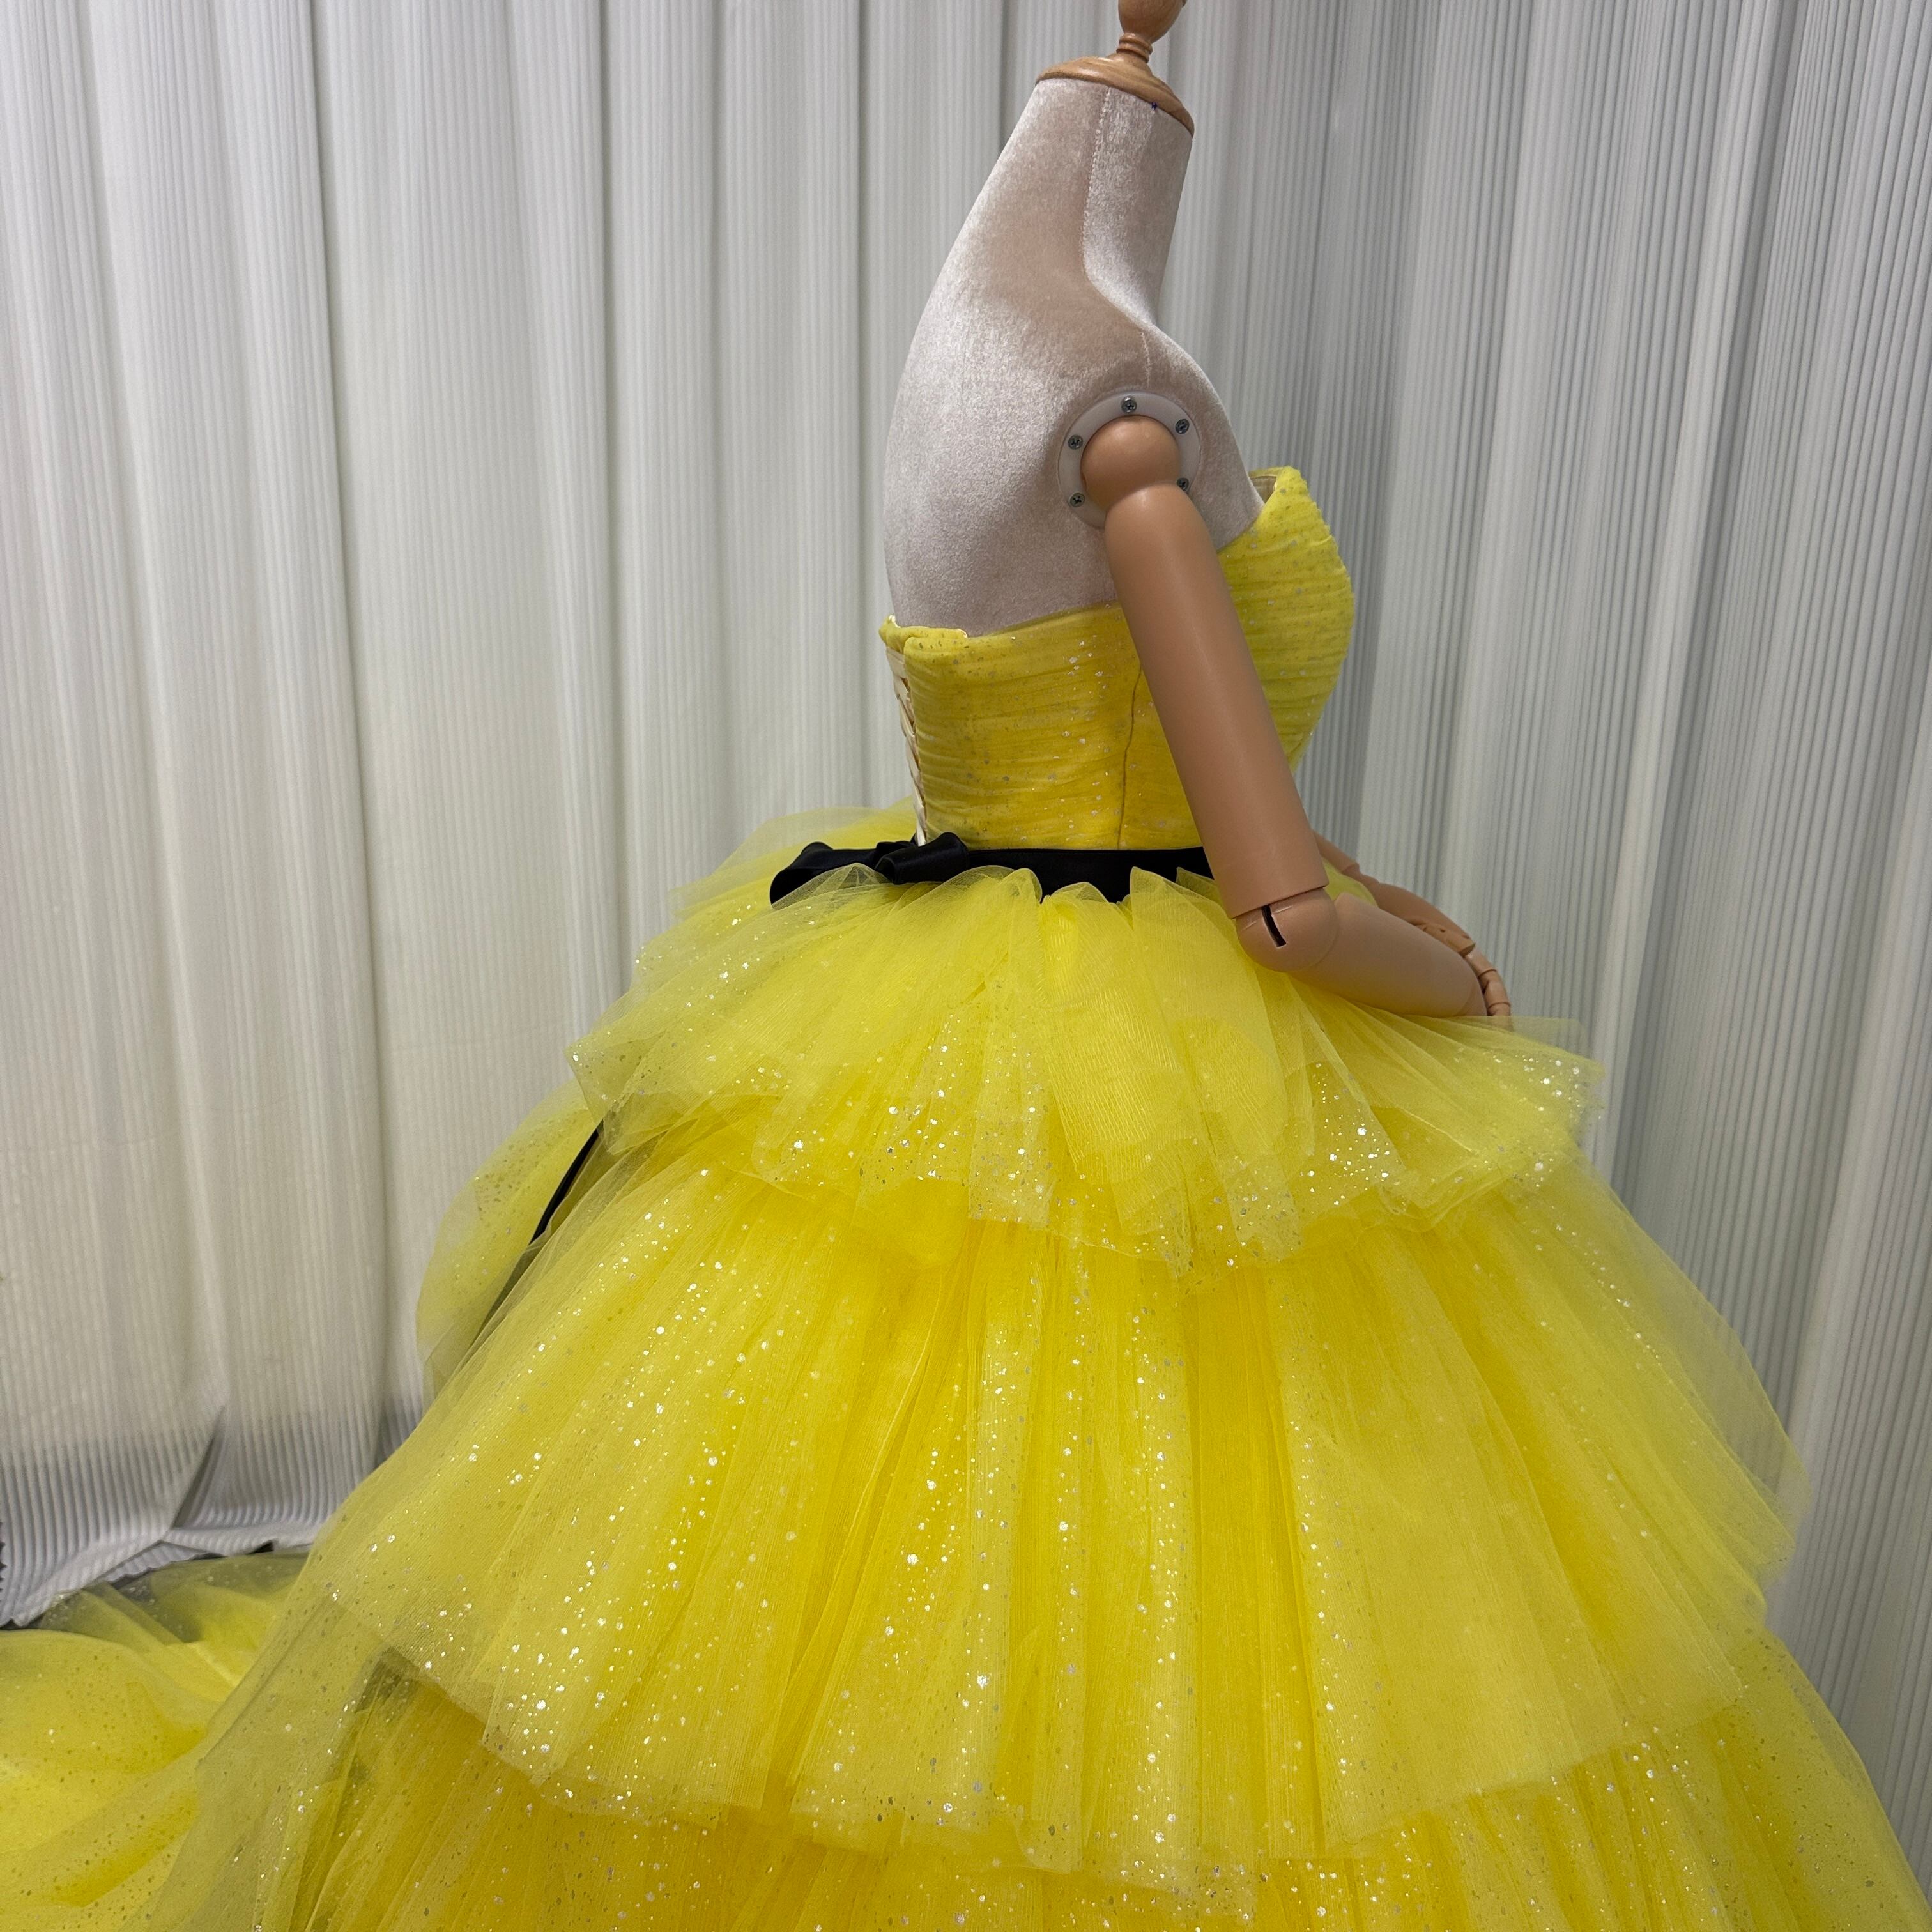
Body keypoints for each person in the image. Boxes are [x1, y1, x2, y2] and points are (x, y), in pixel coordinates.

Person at [4, 7, 1927, 1928]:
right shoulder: (1117, 405)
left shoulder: (993, 312)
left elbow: (1213, 794)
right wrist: (1460, 992)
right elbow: (1277, 911)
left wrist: (1392, 892)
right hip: (1147, 997)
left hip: (973, 939)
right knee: (1209, 1567)